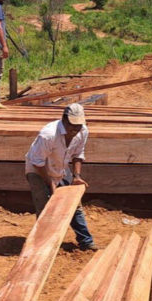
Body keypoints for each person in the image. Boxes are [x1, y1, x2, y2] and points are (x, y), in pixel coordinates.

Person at [25, 103, 98, 251]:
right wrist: (50, 183)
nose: (75, 130)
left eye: (78, 126)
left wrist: (76, 176)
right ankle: (43, 246)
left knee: (74, 205)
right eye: (72, 125)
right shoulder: (48, 135)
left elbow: (78, 154)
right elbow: (38, 162)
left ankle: (86, 241)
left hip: (60, 168)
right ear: (64, 119)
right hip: (38, 171)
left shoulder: (82, 131)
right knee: (47, 208)